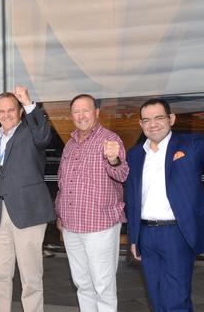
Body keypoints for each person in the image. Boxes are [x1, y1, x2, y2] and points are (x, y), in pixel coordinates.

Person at [126, 98, 204, 311]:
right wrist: (134, 237)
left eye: (159, 117)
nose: (153, 124)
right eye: (147, 120)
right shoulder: (135, 154)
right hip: (146, 235)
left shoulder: (191, 144)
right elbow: (132, 198)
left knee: (176, 300)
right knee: (156, 298)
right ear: (140, 125)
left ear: (172, 119)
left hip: (177, 234)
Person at [0, 86, 56, 312]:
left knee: (31, 276)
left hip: (27, 212)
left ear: (20, 111)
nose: (6, 115)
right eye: (1, 111)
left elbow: (44, 136)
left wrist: (28, 102)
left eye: (11, 110)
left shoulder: (31, 133)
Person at [55, 94, 129, 312]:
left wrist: (114, 159)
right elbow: (62, 182)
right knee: (82, 283)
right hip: (71, 226)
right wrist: (60, 214)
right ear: (71, 116)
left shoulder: (110, 140)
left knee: (103, 285)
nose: (81, 115)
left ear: (97, 112)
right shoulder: (69, 144)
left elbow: (122, 174)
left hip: (100, 226)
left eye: (86, 110)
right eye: (76, 111)